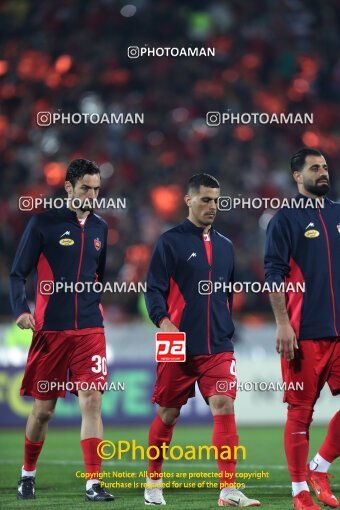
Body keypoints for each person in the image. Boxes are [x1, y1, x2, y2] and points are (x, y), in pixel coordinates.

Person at [144, 173, 261, 507]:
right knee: (168, 414)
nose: (213, 206)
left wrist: (226, 327)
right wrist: (163, 321)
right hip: (177, 342)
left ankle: (228, 489)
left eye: (217, 200)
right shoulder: (169, 242)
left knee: (224, 405)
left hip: (218, 347)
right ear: (189, 200)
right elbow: (154, 289)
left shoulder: (226, 246)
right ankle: (153, 481)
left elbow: (226, 294)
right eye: (206, 199)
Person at [9, 159, 114, 502]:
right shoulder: (43, 223)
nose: (92, 194)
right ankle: (27, 475)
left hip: (89, 331)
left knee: (92, 401)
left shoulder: (101, 227)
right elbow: (17, 273)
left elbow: (98, 274)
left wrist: (96, 306)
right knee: (44, 411)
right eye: (85, 187)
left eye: (97, 189)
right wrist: (21, 310)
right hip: (51, 331)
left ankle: (93, 484)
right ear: (68, 188)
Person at [264, 147, 340, 510]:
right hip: (304, 332)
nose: (323, 172)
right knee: (301, 412)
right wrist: (282, 324)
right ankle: (299, 492)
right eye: (314, 168)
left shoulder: (339, 213)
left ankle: (319, 468)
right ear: (297, 176)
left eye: (324, 167)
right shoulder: (284, 220)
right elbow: (273, 274)